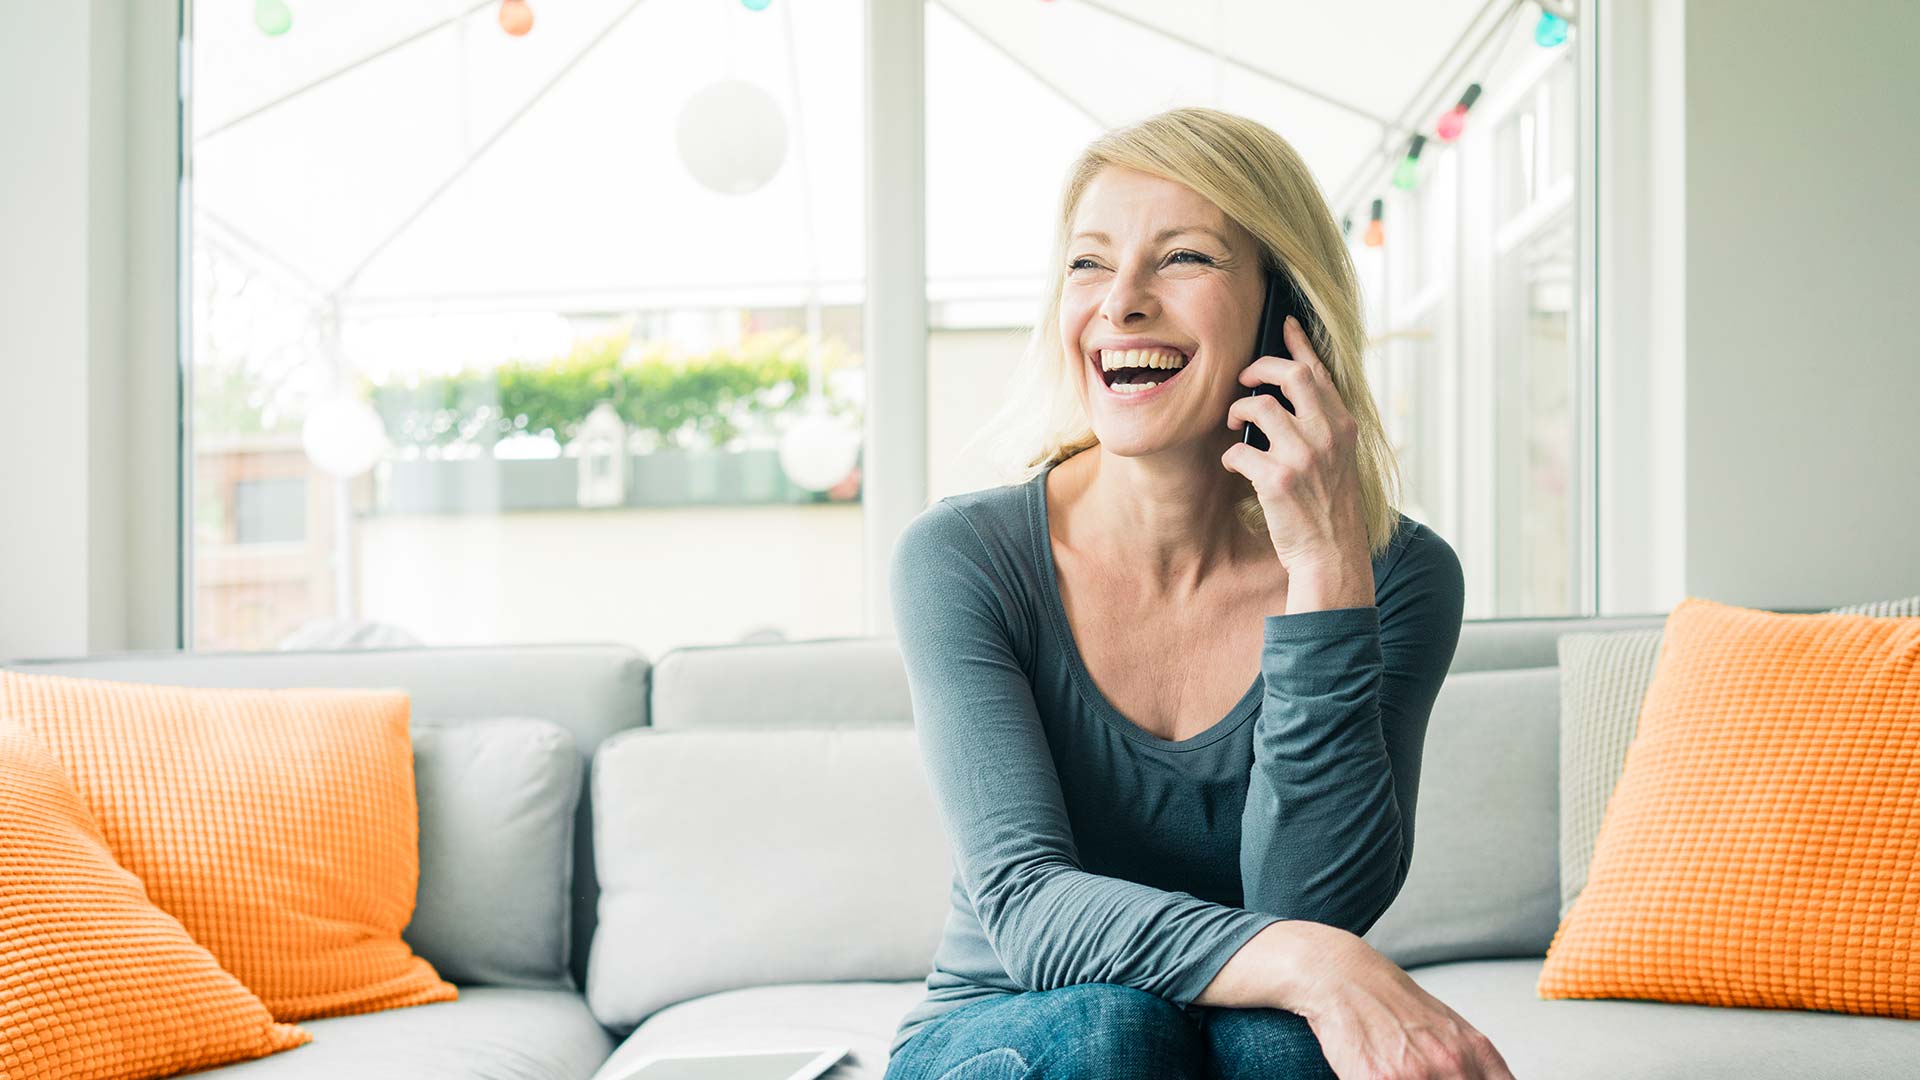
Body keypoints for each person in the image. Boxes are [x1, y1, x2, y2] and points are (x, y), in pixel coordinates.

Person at [881, 107, 1515, 1080]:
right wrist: (1314, 963)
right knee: (1114, 1031)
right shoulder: (964, 558)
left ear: (1283, 309)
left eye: (1181, 258)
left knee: (1283, 1050)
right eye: (1089, 263)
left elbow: (1312, 902)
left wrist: (1326, 569)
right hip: (1002, 1034)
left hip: (1236, 1034)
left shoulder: (1400, 575)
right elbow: (1027, 906)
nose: (1120, 302)